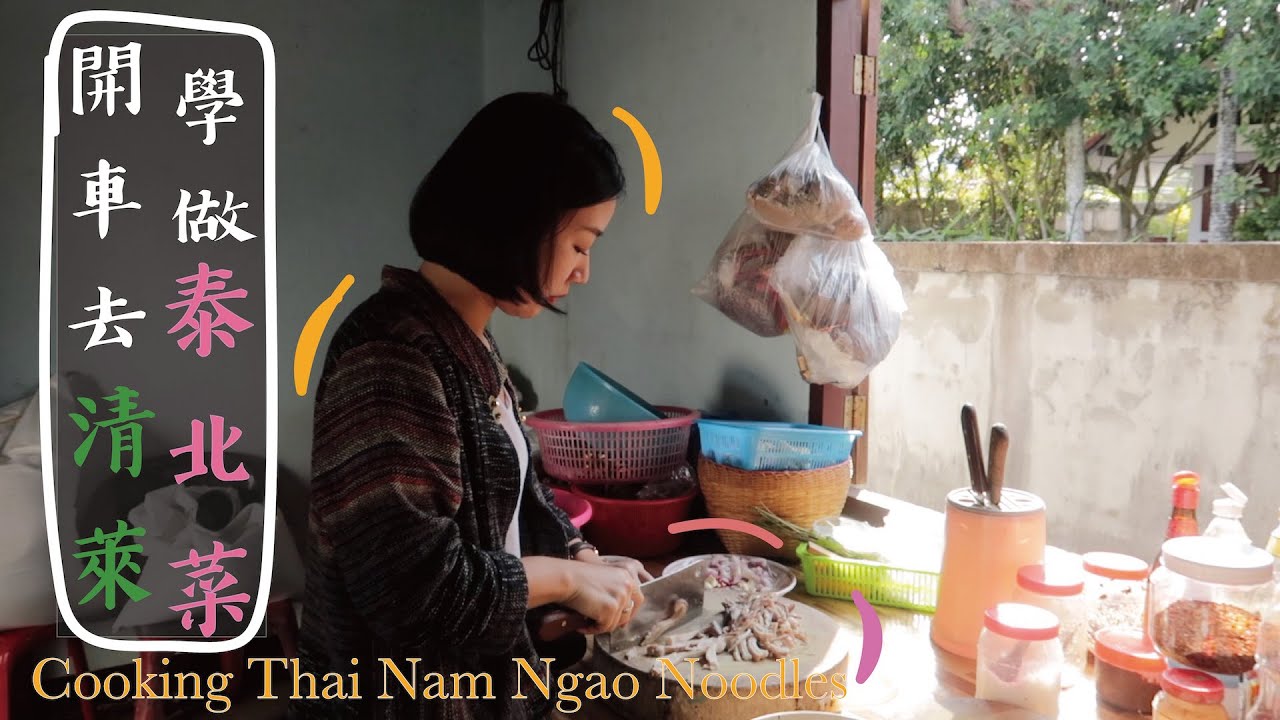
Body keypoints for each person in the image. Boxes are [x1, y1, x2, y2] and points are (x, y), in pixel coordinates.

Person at [290, 92, 652, 720]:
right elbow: (413, 594)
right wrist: (566, 582)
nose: (584, 272)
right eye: (581, 244)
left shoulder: (466, 339)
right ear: (520, 223)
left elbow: (514, 501)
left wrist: (580, 556)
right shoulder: (390, 361)